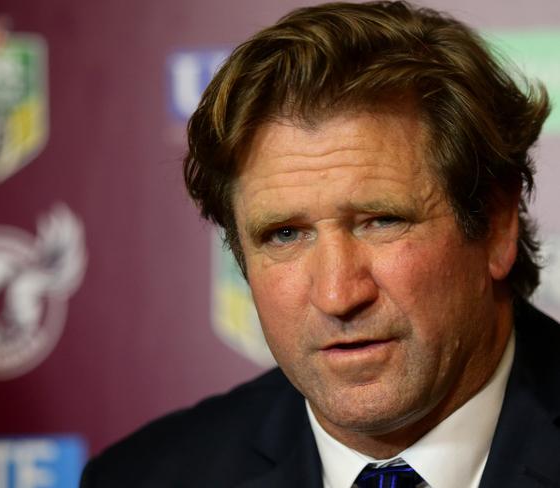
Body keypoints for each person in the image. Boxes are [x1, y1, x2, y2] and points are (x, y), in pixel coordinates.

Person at [82, 2, 560, 487]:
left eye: (381, 221)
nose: (338, 295)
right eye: (285, 234)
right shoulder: (143, 477)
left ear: (498, 227)